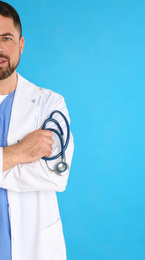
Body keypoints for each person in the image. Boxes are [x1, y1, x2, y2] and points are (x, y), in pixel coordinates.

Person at [0, 1, 74, 260]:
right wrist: (21, 152)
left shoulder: (50, 105)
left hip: (35, 248)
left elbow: (56, 176)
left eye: (6, 38)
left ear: (20, 44)